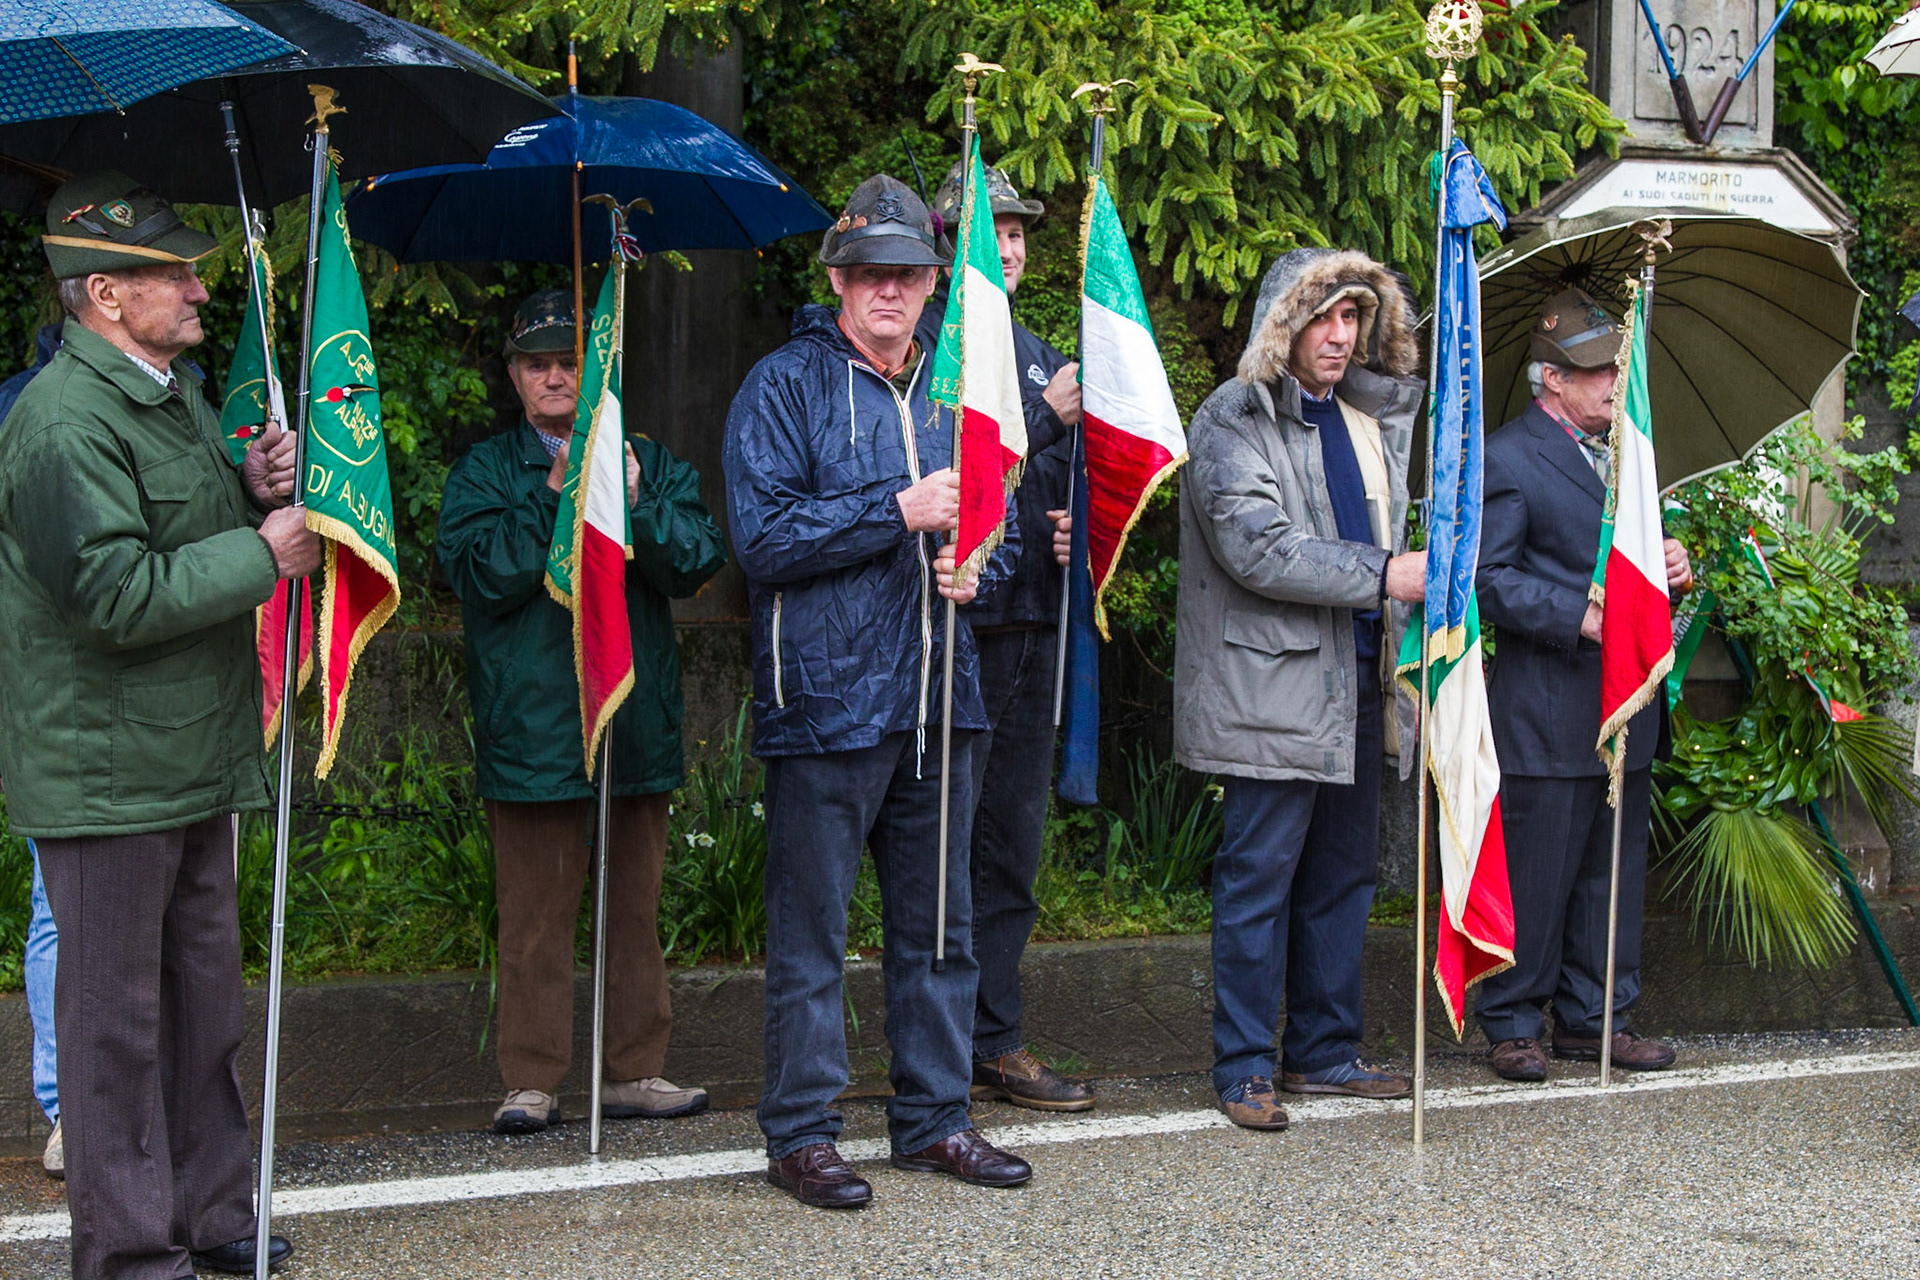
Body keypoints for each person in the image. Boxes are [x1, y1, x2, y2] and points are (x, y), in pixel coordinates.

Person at [0, 170, 317, 1278]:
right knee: (116, 1033)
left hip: (185, 756)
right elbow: (115, 593)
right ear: (102, 297)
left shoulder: (162, 388)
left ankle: (212, 1215)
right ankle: (132, 1251)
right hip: (106, 772)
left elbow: (178, 522)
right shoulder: (58, 422)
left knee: (201, 1014)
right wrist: (261, 552)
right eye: (169, 271)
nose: (195, 287)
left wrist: (247, 481)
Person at [723, 174, 1031, 1209]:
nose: (887, 290)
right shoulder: (781, 385)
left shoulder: (957, 392)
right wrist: (897, 507)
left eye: (906, 273)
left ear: (934, 281)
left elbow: (1009, 528)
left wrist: (982, 558)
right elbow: (761, 539)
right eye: (868, 273)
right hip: (824, 702)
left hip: (946, 697)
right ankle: (802, 1131)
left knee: (942, 922)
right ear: (837, 281)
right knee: (811, 930)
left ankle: (935, 1116)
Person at [435, 288, 726, 1134]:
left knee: (633, 913)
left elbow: (698, 560)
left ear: (595, 373)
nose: (556, 377)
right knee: (534, 917)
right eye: (538, 364)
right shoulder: (487, 470)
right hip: (534, 731)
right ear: (516, 376)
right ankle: (533, 1080)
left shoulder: (647, 460)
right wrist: (554, 494)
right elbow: (479, 574)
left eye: (570, 363)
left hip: (629, 722)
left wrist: (632, 497)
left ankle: (633, 1071)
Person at [1174, 248, 1428, 1131]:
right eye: (1321, 316)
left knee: (1343, 876)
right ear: (1283, 322)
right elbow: (1259, 549)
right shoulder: (1229, 418)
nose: (1338, 334)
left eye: (1352, 316)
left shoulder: (1360, 417)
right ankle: (1243, 1066)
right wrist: (1390, 573)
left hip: (1358, 675)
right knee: (1259, 879)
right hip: (1269, 688)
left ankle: (1324, 1052)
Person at [1473, 288, 1692, 1081]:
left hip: (1625, 706)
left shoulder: (1633, 455)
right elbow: (1487, 580)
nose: (1611, 381)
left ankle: (1596, 1016)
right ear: (1551, 380)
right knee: (1538, 873)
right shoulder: (1507, 456)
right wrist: (1580, 615)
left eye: (1615, 367)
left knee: (1613, 874)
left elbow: (1641, 563)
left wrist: (1675, 568)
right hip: (1547, 704)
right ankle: (1511, 1021)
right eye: (1594, 371)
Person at [917, 159, 1092, 1113]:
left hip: (1028, 622)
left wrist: (1067, 526)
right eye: (995, 233)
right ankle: (936, 1042)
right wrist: (1041, 417)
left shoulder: (1037, 351)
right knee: (941, 840)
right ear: (949, 249)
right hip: (950, 627)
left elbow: (1050, 478)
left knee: (1012, 843)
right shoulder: (926, 352)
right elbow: (958, 463)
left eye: (1021, 232)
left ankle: (998, 1037)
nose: (1013, 247)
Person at [0, 322, 66, 1181]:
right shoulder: (24, 403)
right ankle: (66, 1106)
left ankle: (124, 1103)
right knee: (61, 903)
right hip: (53, 682)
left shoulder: (189, 389)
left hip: (167, 687)